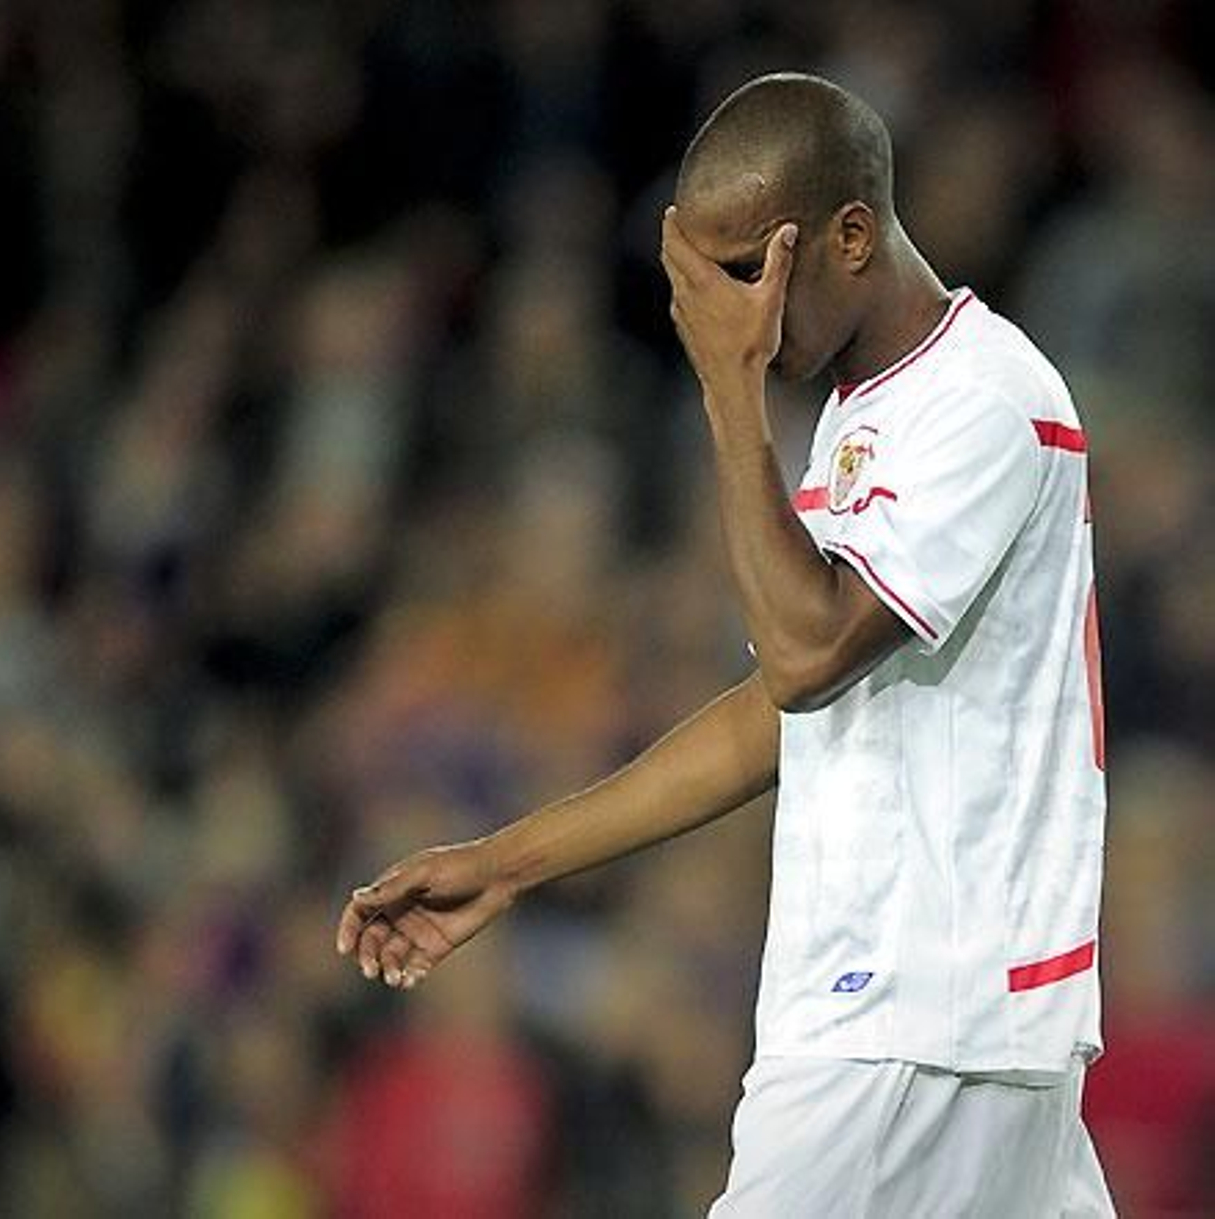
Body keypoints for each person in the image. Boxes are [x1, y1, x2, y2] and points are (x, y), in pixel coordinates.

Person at [334, 71, 1114, 1215]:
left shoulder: (982, 399)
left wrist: (726, 386)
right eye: (701, 283)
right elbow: (778, 716)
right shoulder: (867, 411)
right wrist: (506, 863)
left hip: (907, 1023)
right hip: (943, 1021)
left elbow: (804, 656)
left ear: (851, 234)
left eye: (748, 269)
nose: (726, 309)